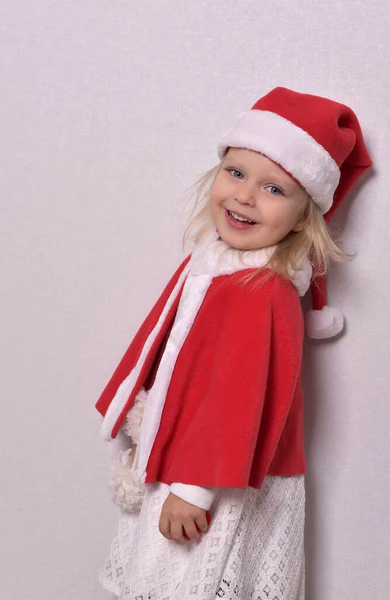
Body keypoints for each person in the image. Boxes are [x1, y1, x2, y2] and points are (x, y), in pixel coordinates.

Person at [95, 86, 373, 599]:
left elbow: (238, 395)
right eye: (237, 173)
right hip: (188, 463)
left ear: (303, 215)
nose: (244, 196)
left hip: (213, 481)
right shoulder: (215, 263)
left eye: (274, 189)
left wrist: (195, 490)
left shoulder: (261, 289)